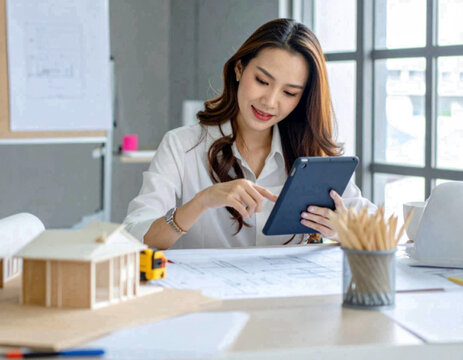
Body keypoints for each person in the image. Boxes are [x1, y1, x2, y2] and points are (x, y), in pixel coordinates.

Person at [123, 18, 376, 250]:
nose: (270, 101)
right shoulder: (181, 146)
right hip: (205, 298)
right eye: (262, 81)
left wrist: (345, 230)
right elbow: (136, 237)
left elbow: (381, 230)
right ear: (239, 69)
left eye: (289, 93)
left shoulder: (312, 155)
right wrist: (201, 202)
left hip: (289, 297)